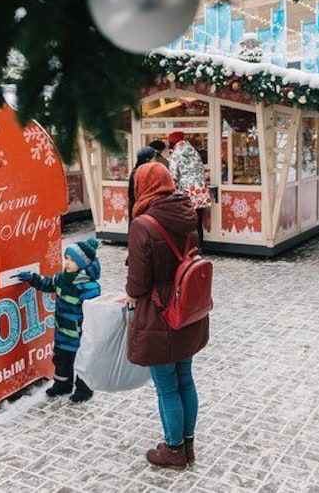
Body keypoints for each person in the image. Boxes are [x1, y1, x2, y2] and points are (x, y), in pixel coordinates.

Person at [125, 162, 210, 469]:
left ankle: (173, 450)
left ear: (142, 187)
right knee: (185, 378)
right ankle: (187, 445)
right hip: (186, 308)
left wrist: (131, 293)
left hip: (160, 314)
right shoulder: (187, 212)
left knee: (167, 385)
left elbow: (138, 282)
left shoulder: (143, 224)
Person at [18, 238, 101, 402]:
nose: (67, 263)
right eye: (66, 259)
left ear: (83, 264)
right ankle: (62, 385)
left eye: (72, 260)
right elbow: (48, 283)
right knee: (61, 359)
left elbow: (94, 311)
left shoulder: (89, 287)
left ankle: (84, 390)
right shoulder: (62, 278)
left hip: (81, 335)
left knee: (83, 362)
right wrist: (33, 278)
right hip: (63, 333)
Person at [167, 131, 212, 249]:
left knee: (186, 224)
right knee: (198, 223)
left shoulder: (176, 154)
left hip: (186, 195)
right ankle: (199, 247)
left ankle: (189, 249)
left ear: (172, 142)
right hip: (201, 194)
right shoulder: (194, 152)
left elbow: (173, 177)